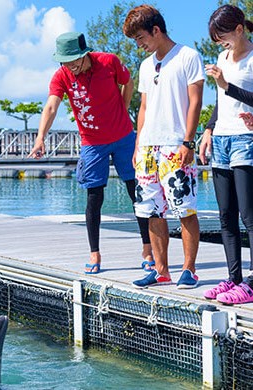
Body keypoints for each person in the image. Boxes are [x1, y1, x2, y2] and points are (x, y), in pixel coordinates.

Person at [28, 31, 153, 274]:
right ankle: (95, 253)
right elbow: (52, 105)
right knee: (94, 198)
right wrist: (40, 136)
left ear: (86, 54)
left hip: (124, 138)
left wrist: (124, 107)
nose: (72, 67)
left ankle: (147, 248)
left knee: (135, 192)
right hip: (92, 143)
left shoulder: (108, 61)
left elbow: (128, 82)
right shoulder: (61, 75)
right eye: (66, 62)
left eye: (75, 61)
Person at [123, 5, 204, 288]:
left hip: (175, 145)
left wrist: (188, 141)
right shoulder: (146, 66)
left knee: (184, 209)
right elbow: (143, 107)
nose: (139, 45)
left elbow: (195, 101)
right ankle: (161, 270)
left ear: (156, 30)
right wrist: (137, 144)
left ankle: (189, 270)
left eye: (141, 38)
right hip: (148, 148)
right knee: (151, 211)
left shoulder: (187, 56)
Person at [198, 4, 253, 305]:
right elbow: (219, 100)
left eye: (223, 37)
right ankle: (234, 279)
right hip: (221, 139)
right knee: (225, 215)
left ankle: (252, 282)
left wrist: (226, 85)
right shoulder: (222, 57)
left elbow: (236, 93)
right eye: (216, 40)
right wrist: (208, 130)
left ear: (239, 29)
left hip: (246, 139)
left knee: (249, 216)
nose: (220, 44)